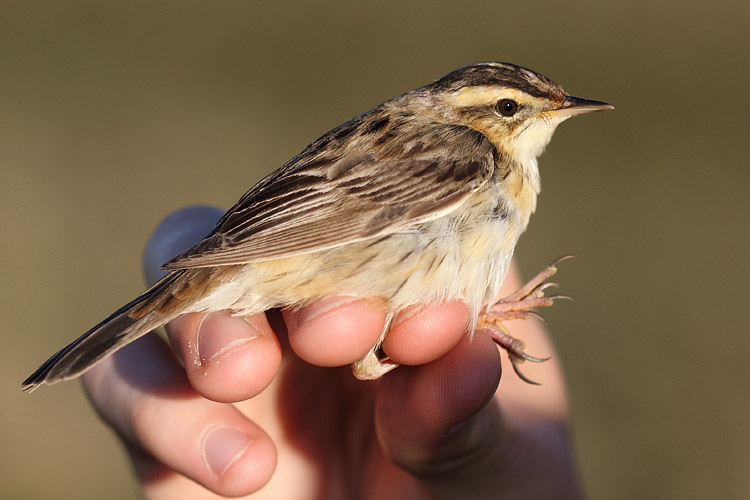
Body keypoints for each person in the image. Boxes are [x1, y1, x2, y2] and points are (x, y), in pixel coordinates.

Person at [82, 206, 582, 499]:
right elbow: (346, 212)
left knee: (357, 332)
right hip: (306, 251)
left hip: (301, 259)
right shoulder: (472, 157)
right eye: (511, 109)